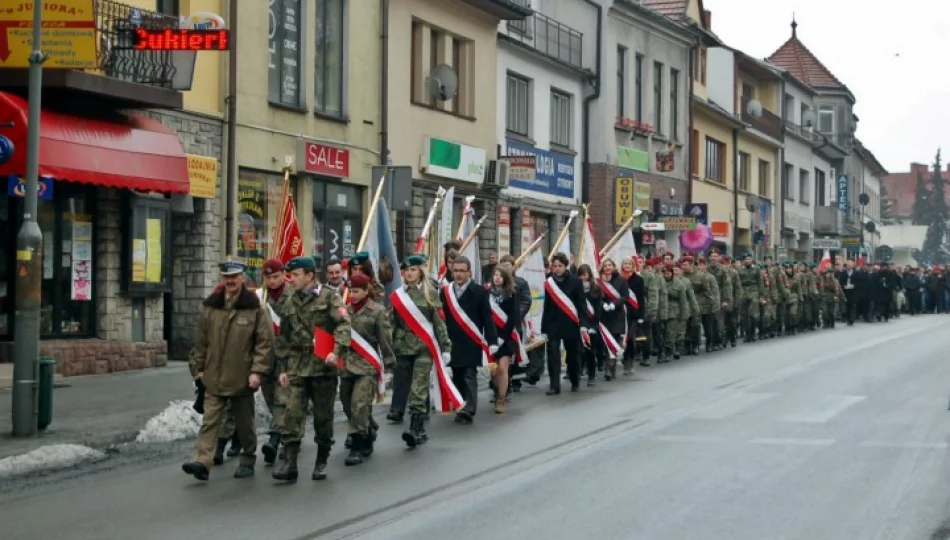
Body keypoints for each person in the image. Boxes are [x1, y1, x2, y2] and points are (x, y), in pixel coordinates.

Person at [182, 260, 273, 482]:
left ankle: (248, 458)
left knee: (244, 423)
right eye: (226, 277)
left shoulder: (255, 307)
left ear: (242, 277)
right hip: (213, 376)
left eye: (234, 276)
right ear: (221, 279)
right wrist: (199, 369)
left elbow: (265, 343)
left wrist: (257, 372)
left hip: (242, 377)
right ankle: (203, 461)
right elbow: (201, 342)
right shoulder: (211, 306)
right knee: (210, 421)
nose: (230, 281)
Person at [272, 256, 351, 483]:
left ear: (309, 275)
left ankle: (321, 460)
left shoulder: (329, 297)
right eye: (290, 275)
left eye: (295, 275)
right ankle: (290, 464)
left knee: (322, 418)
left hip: (322, 365)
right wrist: (283, 368)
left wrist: (336, 352)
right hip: (297, 365)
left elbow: (343, 325)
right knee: (292, 414)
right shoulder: (289, 301)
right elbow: (283, 337)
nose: (291, 279)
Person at [390, 254, 452, 447]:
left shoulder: (430, 293)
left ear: (420, 272)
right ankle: (420, 428)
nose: (409, 273)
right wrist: (387, 348)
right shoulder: (398, 295)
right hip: (402, 347)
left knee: (419, 388)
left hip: (424, 347)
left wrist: (445, 347)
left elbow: (439, 322)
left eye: (413, 270)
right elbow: (391, 324)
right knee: (407, 387)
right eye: (407, 270)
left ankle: (414, 428)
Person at [340, 274, 394, 466]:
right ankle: (368, 428)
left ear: (365, 291)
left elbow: (385, 338)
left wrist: (389, 362)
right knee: (347, 403)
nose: (352, 295)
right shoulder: (344, 311)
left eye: (356, 291)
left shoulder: (377, 311)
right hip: (347, 365)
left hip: (367, 365)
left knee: (359, 404)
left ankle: (357, 444)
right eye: (351, 291)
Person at [441, 255, 498, 424]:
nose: (458, 274)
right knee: (457, 374)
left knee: (468, 374)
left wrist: (492, 341)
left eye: (461, 271)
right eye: (455, 271)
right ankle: (460, 406)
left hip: (471, 340)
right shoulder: (445, 292)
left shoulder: (480, 292)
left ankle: (470, 408)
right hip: (452, 340)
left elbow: (487, 318)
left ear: (469, 272)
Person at [257, 258, 294, 466]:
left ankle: (274, 440)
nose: (272, 281)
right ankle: (286, 432)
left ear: (284, 275)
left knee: (282, 399)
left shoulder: (293, 295)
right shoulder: (259, 298)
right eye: (268, 277)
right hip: (266, 357)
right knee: (271, 399)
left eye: (276, 276)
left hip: (288, 357)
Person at [541, 252, 588, 394]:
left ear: (565, 266)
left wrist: (583, 324)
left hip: (571, 323)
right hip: (553, 324)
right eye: (554, 266)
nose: (557, 269)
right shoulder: (548, 282)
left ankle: (575, 380)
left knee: (573, 354)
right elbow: (546, 306)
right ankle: (554, 385)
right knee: (553, 355)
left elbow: (581, 305)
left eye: (560, 266)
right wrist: (544, 328)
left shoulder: (575, 282)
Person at [488, 266, 520, 413]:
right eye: (495, 275)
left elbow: (513, 318)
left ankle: (501, 399)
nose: (497, 278)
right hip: (490, 336)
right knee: (493, 371)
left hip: (507, 337)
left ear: (506, 279)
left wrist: (503, 337)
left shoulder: (512, 295)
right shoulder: (487, 294)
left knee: (502, 367)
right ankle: (497, 390)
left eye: (500, 276)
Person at [598, 258, 629, 379]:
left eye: (610, 265)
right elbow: (595, 296)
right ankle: (611, 365)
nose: (607, 267)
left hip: (617, 315)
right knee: (606, 343)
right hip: (604, 316)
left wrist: (614, 304)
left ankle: (609, 368)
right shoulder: (599, 281)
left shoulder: (621, 280)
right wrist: (603, 304)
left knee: (614, 342)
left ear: (614, 266)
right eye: (605, 266)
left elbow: (625, 297)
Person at [577, 264, 603, 385]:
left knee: (589, 351)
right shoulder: (575, 289)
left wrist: (594, 325)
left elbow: (597, 309)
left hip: (591, 323)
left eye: (585, 275)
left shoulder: (595, 288)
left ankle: (591, 375)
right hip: (579, 322)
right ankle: (577, 371)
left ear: (589, 275)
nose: (582, 277)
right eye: (580, 275)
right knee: (578, 350)